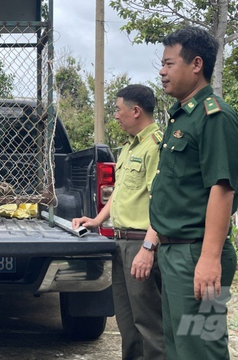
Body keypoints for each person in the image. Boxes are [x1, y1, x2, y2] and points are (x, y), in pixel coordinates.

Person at [151, 26, 238, 359]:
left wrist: (209, 258)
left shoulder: (214, 116)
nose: (161, 71)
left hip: (196, 254)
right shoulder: (182, 117)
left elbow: (222, 189)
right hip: (175, 253)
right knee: (179, 349)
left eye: (169, 63)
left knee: (201, 350)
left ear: (196, 64)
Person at [72, 84, 166, 360]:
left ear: (136, 111)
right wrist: (97, 220)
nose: (115, 115)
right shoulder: (128, 148)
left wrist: (149, 249)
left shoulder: (155, 147)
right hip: (120, 243)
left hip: (141, 244)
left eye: (118, 109)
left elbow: (161, 202)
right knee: (128, 324)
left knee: (149, 324)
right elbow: (120, 192)